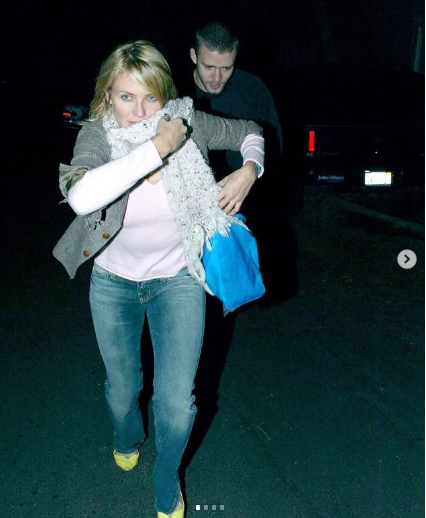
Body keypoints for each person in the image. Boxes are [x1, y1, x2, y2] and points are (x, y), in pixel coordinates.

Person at [52, 40, 264, 518]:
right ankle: (126, 435)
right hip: (114, 283)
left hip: (178, 281)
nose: (139, 110)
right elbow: (81, 198)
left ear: (164, 95)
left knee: (176, 403)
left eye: (150, 97)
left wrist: (250, 170)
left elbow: (251, 132)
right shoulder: (98, 136)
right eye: (126, 96)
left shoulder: (185, 123)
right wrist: (156, 148)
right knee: (122, 389)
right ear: (107, 95)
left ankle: (167, 481)